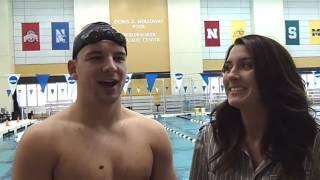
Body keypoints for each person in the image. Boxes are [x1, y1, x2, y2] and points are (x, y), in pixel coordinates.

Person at [13, 22, 176, 180]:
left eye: (119, 58)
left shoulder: (154, 135)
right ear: (73, 69)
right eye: (96, 58)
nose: (111, 66)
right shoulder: (40, 142)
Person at [190, 34, 320, 180]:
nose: (231, 75)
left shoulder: (313, 141)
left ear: (274, 74)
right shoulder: (210, 137)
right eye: (227, 68)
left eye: (246, 65)